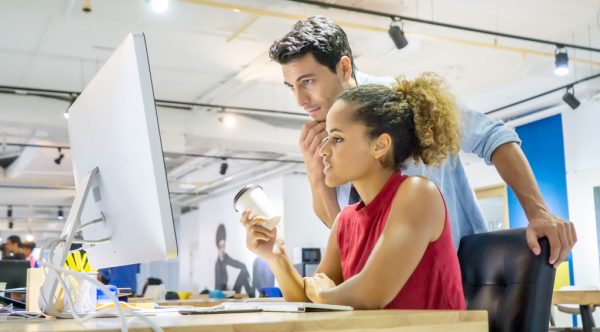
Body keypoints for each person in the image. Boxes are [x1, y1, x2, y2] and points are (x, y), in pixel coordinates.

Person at [268, 16, 576, 267]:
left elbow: (494, 137)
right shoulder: (324, 137)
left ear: (344, 67)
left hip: (455, 272)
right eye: (290, 86)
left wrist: (538, 212)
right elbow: (345, 229)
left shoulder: (407, 101)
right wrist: (316, 179)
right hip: (384, 280)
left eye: (308, 82)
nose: (299, 99)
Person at [243, 74, 465, 309]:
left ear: (380, 146)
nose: (323, 150)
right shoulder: (345, 220)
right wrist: (276, 255)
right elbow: (307, 303)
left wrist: (319, 295)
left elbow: (368, 295)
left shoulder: (419, 194)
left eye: (337, 138)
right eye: (327, 137)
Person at [214, 224, 255, 297]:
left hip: (230, 293)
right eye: (221, 246)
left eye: (224, 246)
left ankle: (252, 295)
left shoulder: (225, 258)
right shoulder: (217, 265)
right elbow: (217, 289)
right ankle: (252, 295)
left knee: (244, 271)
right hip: (224, 296)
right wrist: (226, 291)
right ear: (218, 246)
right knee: (244, 272)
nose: (223, 249)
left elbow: (242, 265)